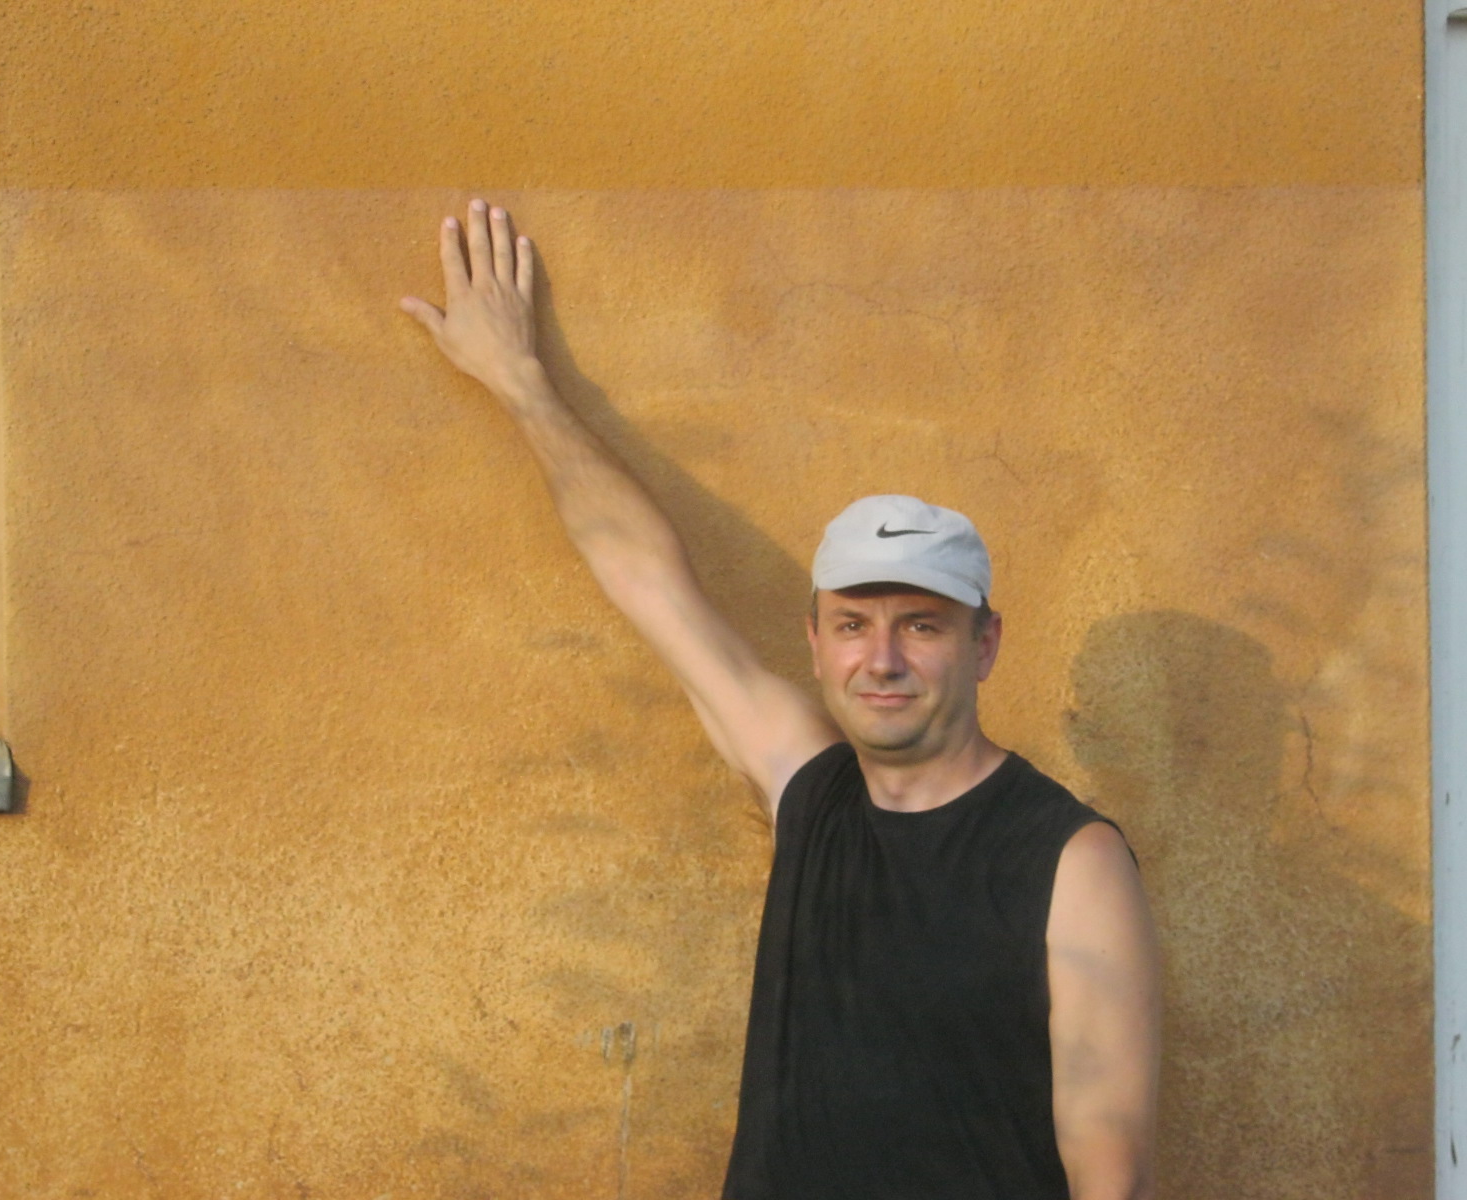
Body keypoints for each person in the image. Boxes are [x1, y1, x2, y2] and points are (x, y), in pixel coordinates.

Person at [402, 200, 1161, 1200]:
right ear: (814, 643)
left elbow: (1110, 1175)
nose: (880, 659)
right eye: (852, 624)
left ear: (984, 645)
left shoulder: (1071, 860)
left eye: (920, 626)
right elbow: (647, 579)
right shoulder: (812, 792)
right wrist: (519, 381)